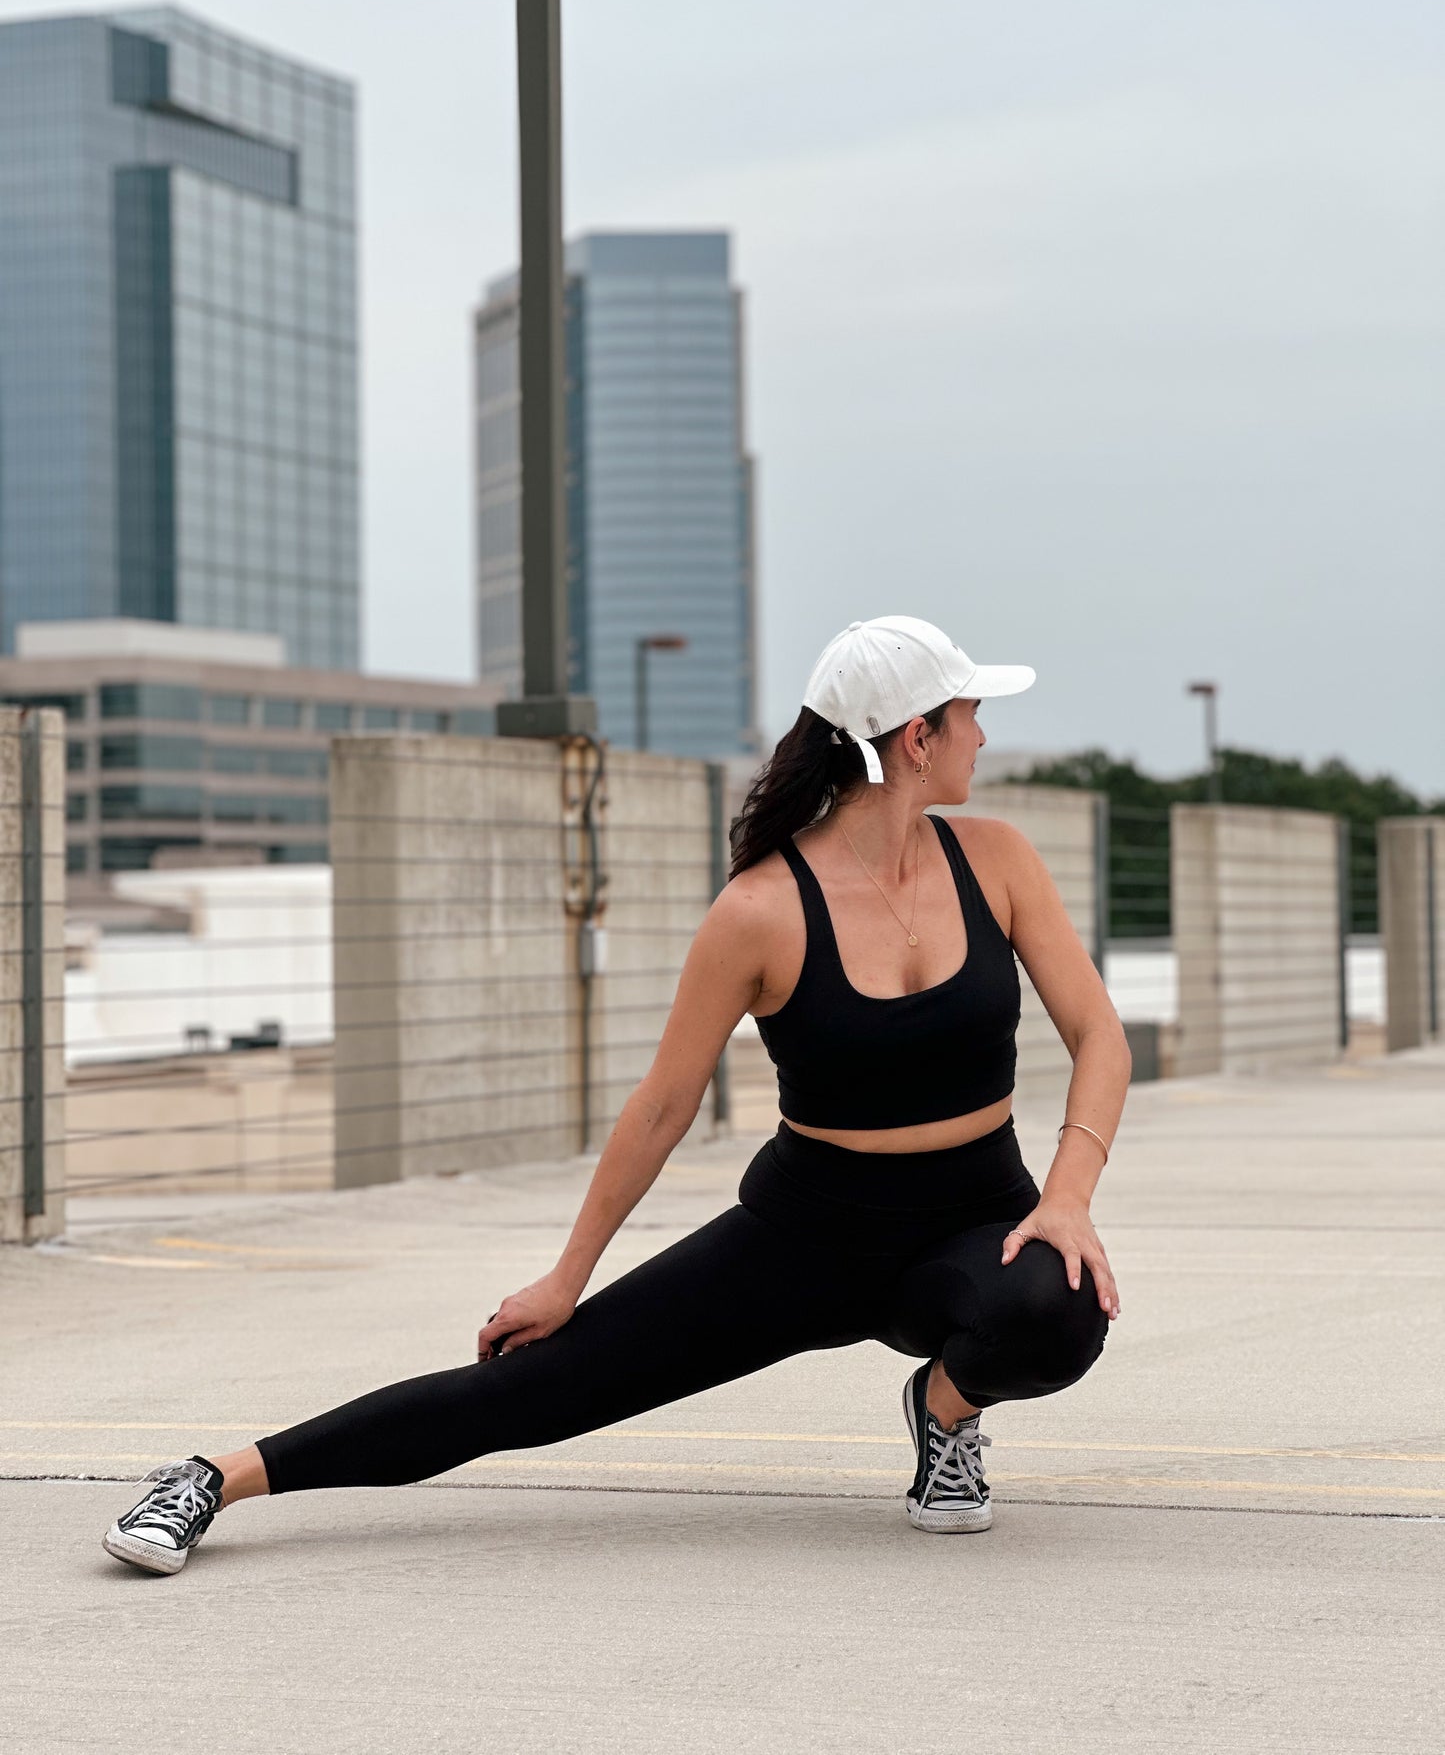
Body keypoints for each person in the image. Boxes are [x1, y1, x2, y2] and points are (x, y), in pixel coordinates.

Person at [102, 613, 1129, 1576]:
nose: (980, 736)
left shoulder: (993, 862)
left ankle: (944, 1415)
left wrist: (1067, 1192)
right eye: (969, 714)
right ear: (916, 737)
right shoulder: (760, 910)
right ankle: (210, 1478)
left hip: (973, 1216)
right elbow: (661, 1104)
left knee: (1056, 1304)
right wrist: (565, 1277)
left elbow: (1096, 1034)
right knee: (527, 1395)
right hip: (806, 1233)